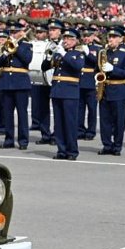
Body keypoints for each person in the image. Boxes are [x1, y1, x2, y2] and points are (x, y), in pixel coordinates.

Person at [0, 22, 33, 150]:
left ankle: (23, 141)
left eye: (15, 32)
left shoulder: (26, 45)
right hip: (6, 83)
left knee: (22, 114)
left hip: (21, 83)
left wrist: (16, 48)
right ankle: (9, 139)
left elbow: (27, 60)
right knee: (7, 114)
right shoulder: (6, 46)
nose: (13, 35)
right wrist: (5, 53)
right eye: (11, 32)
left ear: (21, 32)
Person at [97, 26, 125, 156]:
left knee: (118, 120)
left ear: (121, 39)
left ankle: (117, 146)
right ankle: (107, 145)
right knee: (104, 120)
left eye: (114, 37)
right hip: (105, 89)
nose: (111, 39)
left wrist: (113, 69)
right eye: (110, 37)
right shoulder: (104, 52)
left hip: (118, 89)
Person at [49, 28, 85, 160]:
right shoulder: (59, 53)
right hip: (57, 91)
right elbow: (45, 67)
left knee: (69, 123)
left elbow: (77, 66)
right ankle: (61, 150)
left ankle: (72, 151)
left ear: (76, 41)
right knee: (58, 123)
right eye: (65, 38)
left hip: (70, 91)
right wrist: (49, 56)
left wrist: (64, 54)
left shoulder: (78, 53)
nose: (66, 41)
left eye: (70, 39)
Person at [77, 27, 100, 141]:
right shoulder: (77, 48)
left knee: (92, 109)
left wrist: (88, 53)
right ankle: (80, 130)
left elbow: (98, 62)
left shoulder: (97, 48)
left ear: (93, 37)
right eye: (84, 36)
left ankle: (91, 131)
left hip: (91, 81)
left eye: (88, 36)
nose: (86, 38)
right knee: (80, 109)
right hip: (79, 80)